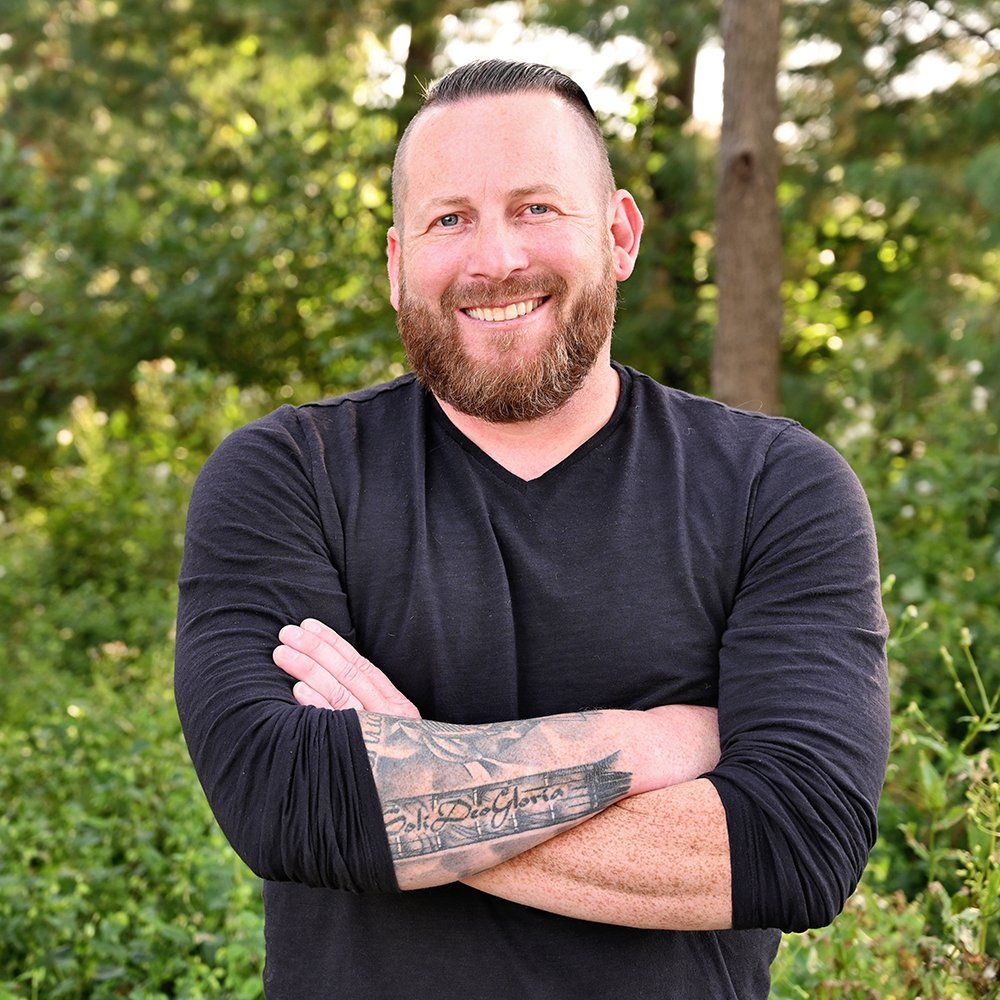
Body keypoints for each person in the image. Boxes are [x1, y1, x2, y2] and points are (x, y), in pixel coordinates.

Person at [174, 59, 891, 999]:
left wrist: (407, 773)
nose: (495, 259)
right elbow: (285, 799)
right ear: (396, 264)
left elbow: (796, 846)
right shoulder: (288, 475)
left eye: (536, 207)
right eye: (449, 219)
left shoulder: (775, 487)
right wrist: (647, 746)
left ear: (619, 234)